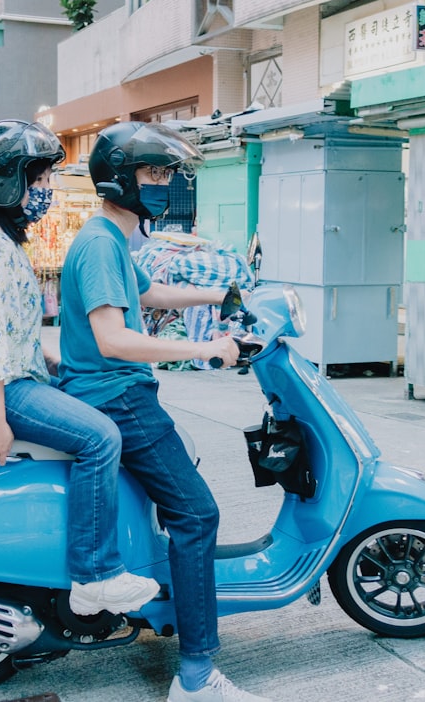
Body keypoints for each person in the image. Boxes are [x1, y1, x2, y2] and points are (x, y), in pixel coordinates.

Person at [58, 122, 268, 702]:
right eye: (154, 173)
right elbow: (114, 340)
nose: (165, 184)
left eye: (169, 174)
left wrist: (223, 296)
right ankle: (197, 675)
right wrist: (205, 348)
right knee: (197, 516)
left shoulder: (110, 239)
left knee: (185, 503)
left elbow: (147, 295)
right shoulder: (102, 244)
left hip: (116, 392)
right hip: (117, 395)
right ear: (122, 179)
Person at [0, 119, 160, 616]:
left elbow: (10, 332)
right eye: (37, 180)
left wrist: (55, 361)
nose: (46, 192)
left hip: (8, 379)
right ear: (7, 182)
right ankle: (94, 575)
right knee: (101, 437)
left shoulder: (0, 243)